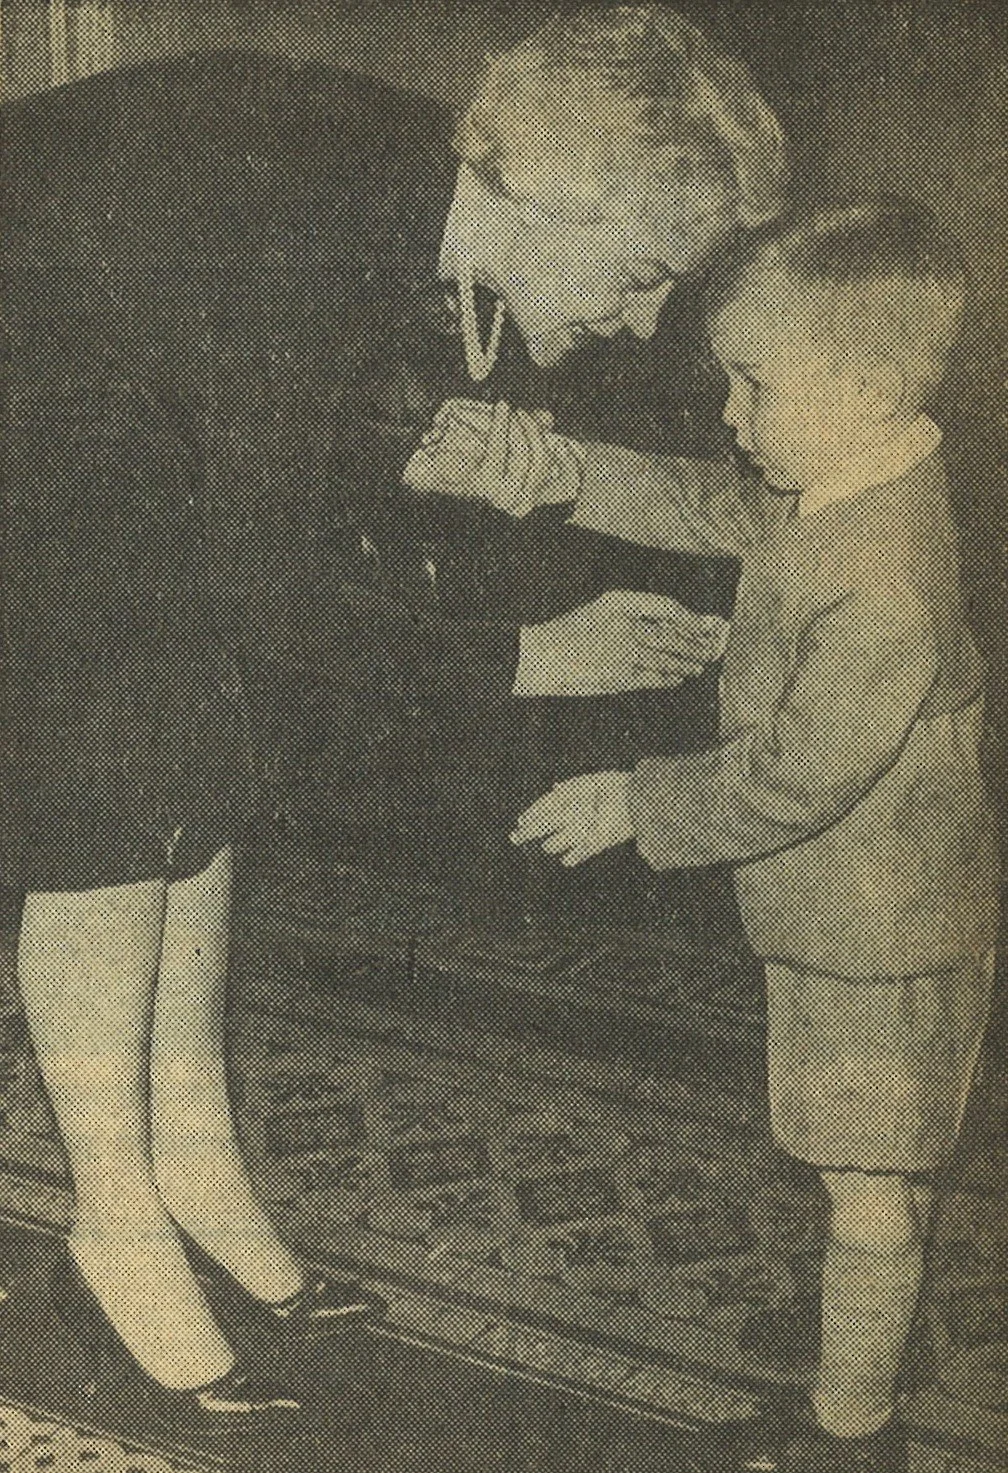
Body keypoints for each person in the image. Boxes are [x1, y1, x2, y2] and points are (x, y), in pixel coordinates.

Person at [1, 5, 785, 1410]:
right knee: (128, 744)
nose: (646, 318)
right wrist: (535, 653)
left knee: (204, 740)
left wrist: (421, 462)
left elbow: (271, 437)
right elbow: (274, 589)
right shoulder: (342, 222)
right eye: (646, 272)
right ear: (570, 194)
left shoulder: (406, 204)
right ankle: (111, 1222)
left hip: (88, 374)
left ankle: (192, 1161)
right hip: (30, 376)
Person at [511, 200, 1001, 1472]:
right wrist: (566, 471)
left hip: (882, 935)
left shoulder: (887, 570)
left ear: (873, 385)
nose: (731, 417)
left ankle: (855, 1430)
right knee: (874, 1164)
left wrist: (636, 799)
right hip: (857, 912)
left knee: (868, 1181)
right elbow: (708, 506)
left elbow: (793, 781)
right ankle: (874, 1325)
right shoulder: (845, 473)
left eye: (754, 385)